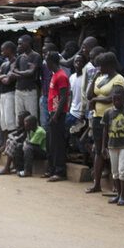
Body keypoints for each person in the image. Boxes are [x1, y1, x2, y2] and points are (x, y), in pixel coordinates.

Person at [86, 52, 124, 192]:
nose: (99, 68)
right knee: (99, 150)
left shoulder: (119, 79)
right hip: (98, 117)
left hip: (113, 118)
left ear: (109, 65)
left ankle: (116, 185)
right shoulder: (100, 78)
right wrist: (94, 79)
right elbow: (89, 95)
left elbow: (112, 98)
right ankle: (97, 184)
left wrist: (95, 100)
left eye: (101, 66)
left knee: (113, 150)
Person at [44, 52, 71, 182]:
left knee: (58, 143)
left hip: (58, 114)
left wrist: (56, 115)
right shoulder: (54, 75)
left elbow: (64, 97)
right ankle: (52, 169)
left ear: (51, 62)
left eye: (47, 61)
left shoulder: (61, 76)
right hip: (52, 112)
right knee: (50, 143)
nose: (45, 63)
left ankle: (60, 171)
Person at [12, 35, 41, 119]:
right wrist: (22, 73)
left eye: (20, 44)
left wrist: (18, 73)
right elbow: (13, 69)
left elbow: (31, 73)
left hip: (30, 91)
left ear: (27, 43)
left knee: (32, 117)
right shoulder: (20, 57)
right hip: (19, 90)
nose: (19, 46)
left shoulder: (36, 56)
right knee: (19, 117)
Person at [0, 41, 17, 137]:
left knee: (10, 120)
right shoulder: (4, 64)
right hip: (2, 94)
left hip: (10, 93)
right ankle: (5, 144)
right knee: (3, 121)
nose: (2, 52)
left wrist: (2, 77)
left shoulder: (15, 62)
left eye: (3, 50)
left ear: (9, 50)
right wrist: (4, 76)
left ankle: (10, 143)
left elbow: (8, 81)